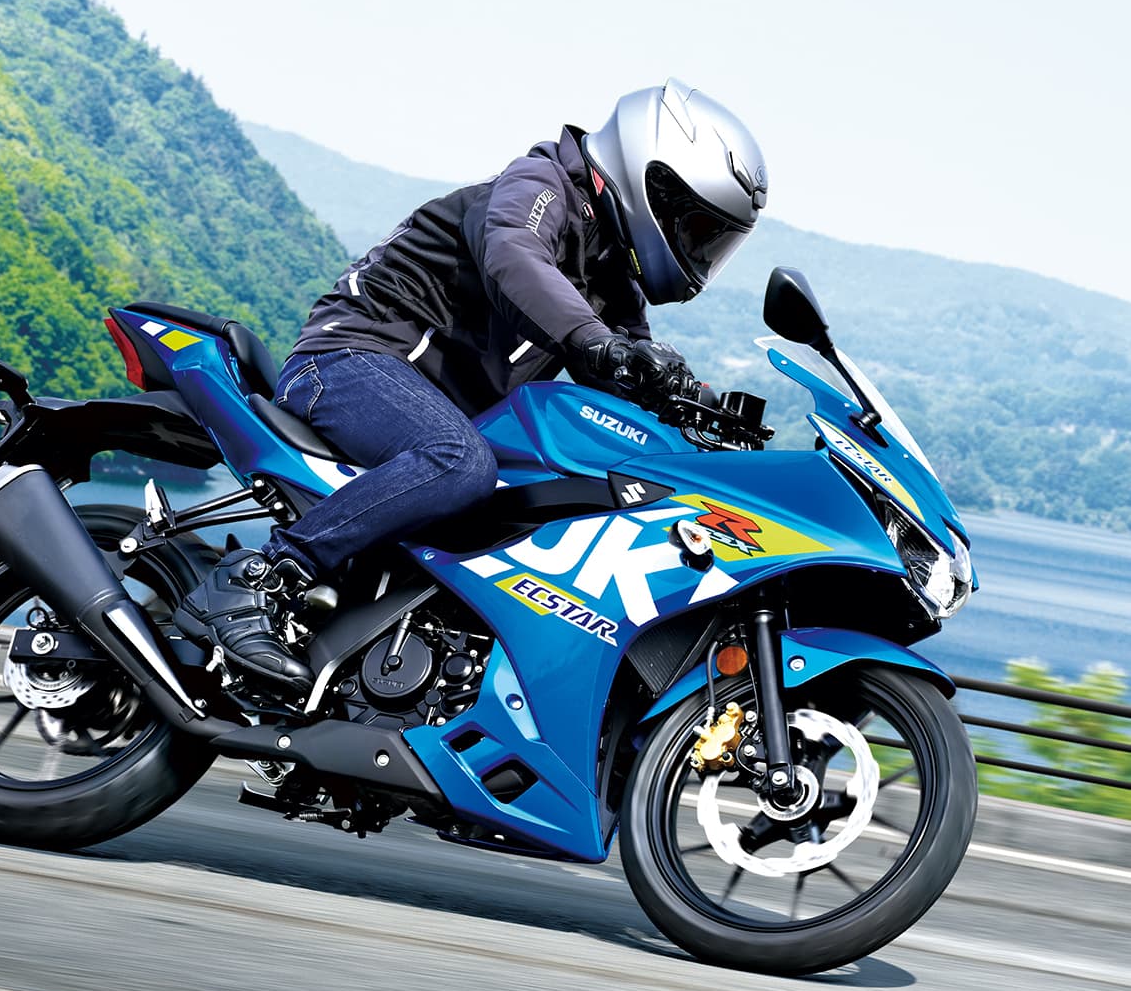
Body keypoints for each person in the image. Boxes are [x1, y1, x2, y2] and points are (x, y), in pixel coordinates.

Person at [174, 79, 768, 693]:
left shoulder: (610, 275)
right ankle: (261, 574)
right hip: (349, 358)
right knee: (460, 463)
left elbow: (630, 368)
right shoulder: (541, 186)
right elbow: (515, 254)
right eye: (695, 227)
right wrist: (597, 342)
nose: (698, 248)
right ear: (651, 181)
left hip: (428, 407)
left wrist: (696, 410)